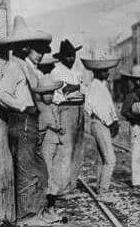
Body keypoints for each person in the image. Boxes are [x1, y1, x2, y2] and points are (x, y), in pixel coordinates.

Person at [0, 16, 59, 226]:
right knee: (27, 170)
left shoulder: (25, 67)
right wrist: (22, 106)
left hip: (30, 121)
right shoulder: (15, 67)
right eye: (35, 49)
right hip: (22, 121)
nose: (39, 54)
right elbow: (1, 93)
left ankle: (37, 211)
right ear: (23, 48)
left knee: (38, 168)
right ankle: (26, 216)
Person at [50, 39, 86, 199]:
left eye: (73, 56)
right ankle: (61, 188)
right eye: (68, 56)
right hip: (65, 109)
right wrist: (76, 88)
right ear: (62, 57)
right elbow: (62, 91)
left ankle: (71, 185)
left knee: (77, 148)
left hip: (79, 108)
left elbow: (83, 89)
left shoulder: (76, 71)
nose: (71, 59)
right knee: (66, 149)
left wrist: (78, 88)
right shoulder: (56, 71)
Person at [82, 58, 119, 202]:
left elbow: (109, 106)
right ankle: (103, 192)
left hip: (104, 123)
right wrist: (109, 122)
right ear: (97, 72)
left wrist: (114, 119)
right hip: (100, 123)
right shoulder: (94, 86)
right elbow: (92, 108)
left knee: (103, 158)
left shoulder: (102, 86)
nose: (107, 73)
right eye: (104, 71)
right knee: (110, 159)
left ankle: (100, 188)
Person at [119, 64, 140, 189]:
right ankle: (137, 181)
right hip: (137, 127)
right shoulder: (131, 95)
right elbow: (124, 111)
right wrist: (137, 118)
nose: (139, 81)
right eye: (137, 79)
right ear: (132, 81)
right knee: (137, 153)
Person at [35, 76, 64, 208]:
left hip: (54, 141)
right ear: (40, 95)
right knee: (47, 168)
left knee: (52, 167)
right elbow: (49, 122)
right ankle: (49, 195)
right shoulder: (41, 107)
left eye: (51, 93)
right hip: (46, 141)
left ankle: (51, 194)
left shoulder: (53, 106)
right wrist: (58, 127)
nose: (49, 96)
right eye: (46, 93)